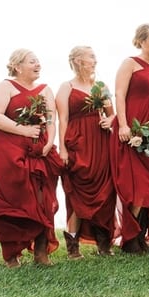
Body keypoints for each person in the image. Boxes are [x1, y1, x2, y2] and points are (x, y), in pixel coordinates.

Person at [0, 49, 61, 267]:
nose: (38, 65)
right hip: (9, 152)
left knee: (43, 197)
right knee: (13, 199)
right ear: (18, 66)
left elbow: (51, 120)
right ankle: (11, 254)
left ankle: (41, 251)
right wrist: (24, 130)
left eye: (39, 61)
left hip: (39, 149)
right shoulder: (6, 86)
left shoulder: (45, 89)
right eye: (32, 61)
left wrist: (49, 141)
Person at [111, 23, 149, 254]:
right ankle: (130, 235)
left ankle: (140, 233)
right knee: (133, 182)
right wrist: (123, 125)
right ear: (141, 41)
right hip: (133, 126)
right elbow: (119, 94)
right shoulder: (129, 64)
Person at [55, 46, 118, 258]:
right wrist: (62, 148)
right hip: (77, 142)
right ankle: (73, 246)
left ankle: (104, 243)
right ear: (79, 61)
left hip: (100, 143)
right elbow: (62, 119)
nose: (95, 61)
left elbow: (113, 115)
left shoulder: (101, 86)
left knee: (105, 192)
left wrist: (107, 120)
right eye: (91, 57)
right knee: (76, 194)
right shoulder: (66, 87)